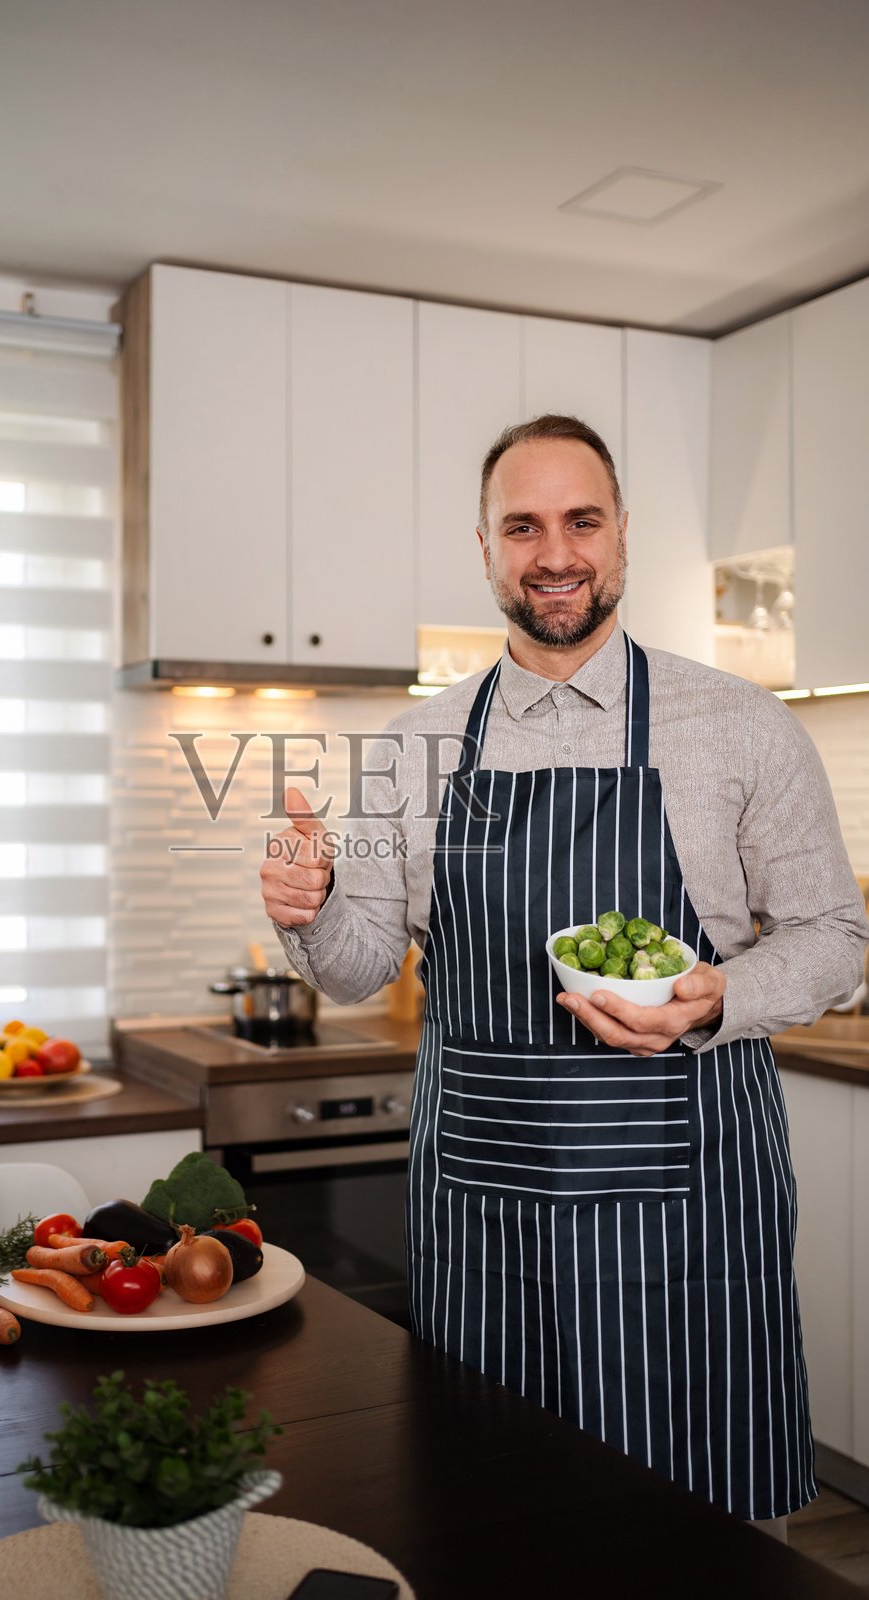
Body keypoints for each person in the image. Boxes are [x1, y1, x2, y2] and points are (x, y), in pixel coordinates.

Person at [259, 413, 869, 1531]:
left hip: (687, 1210)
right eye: (523, 525)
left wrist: (721, 994)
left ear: (621, 535)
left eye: (580, 520)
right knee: (498, 1520)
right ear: (485, 545)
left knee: (700, 1538)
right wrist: (308, 912)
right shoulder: (414, 743)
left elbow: (832, 933)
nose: (554, 553)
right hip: (485, 1207)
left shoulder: (737, 725)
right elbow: (354, 969)